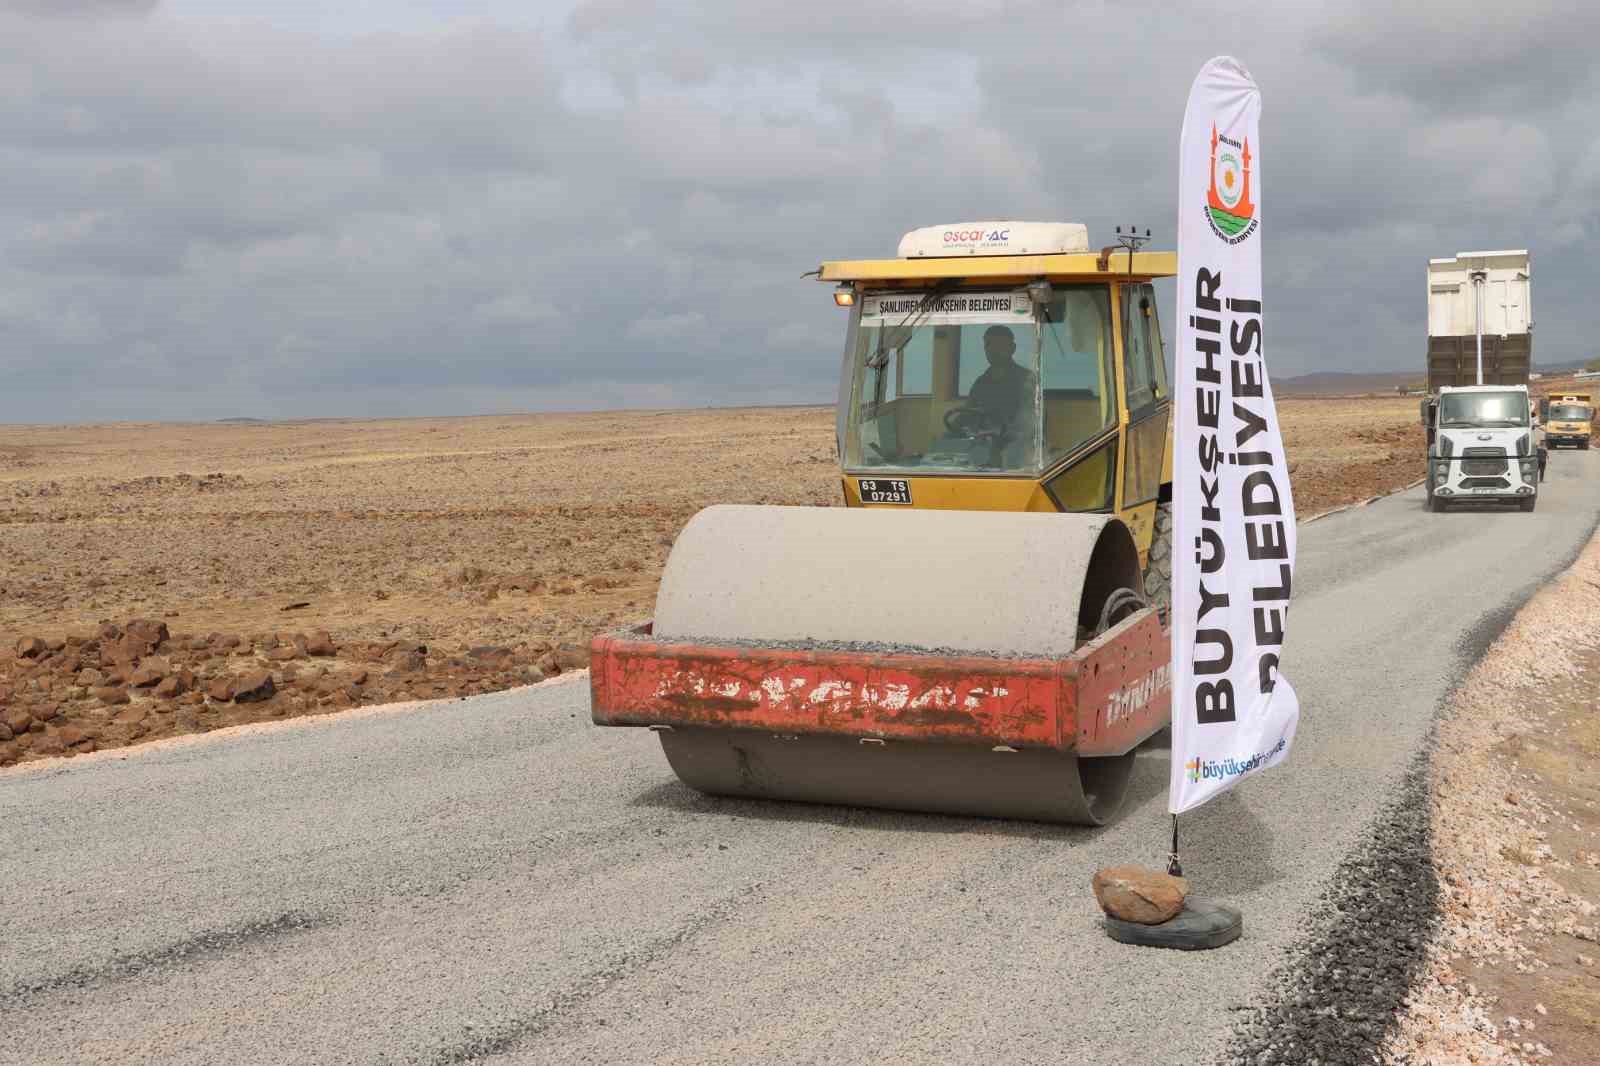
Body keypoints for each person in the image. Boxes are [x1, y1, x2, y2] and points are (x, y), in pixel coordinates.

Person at [968, 325, 1038, 433]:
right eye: (988, 344)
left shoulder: (1027, 379)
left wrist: (1000, 431)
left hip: (1016, 445)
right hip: (984, 444)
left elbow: (1032, 422)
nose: (992, 349)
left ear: (1012, 348)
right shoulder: (980, 383)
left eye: (999, 345)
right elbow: (967, 413)